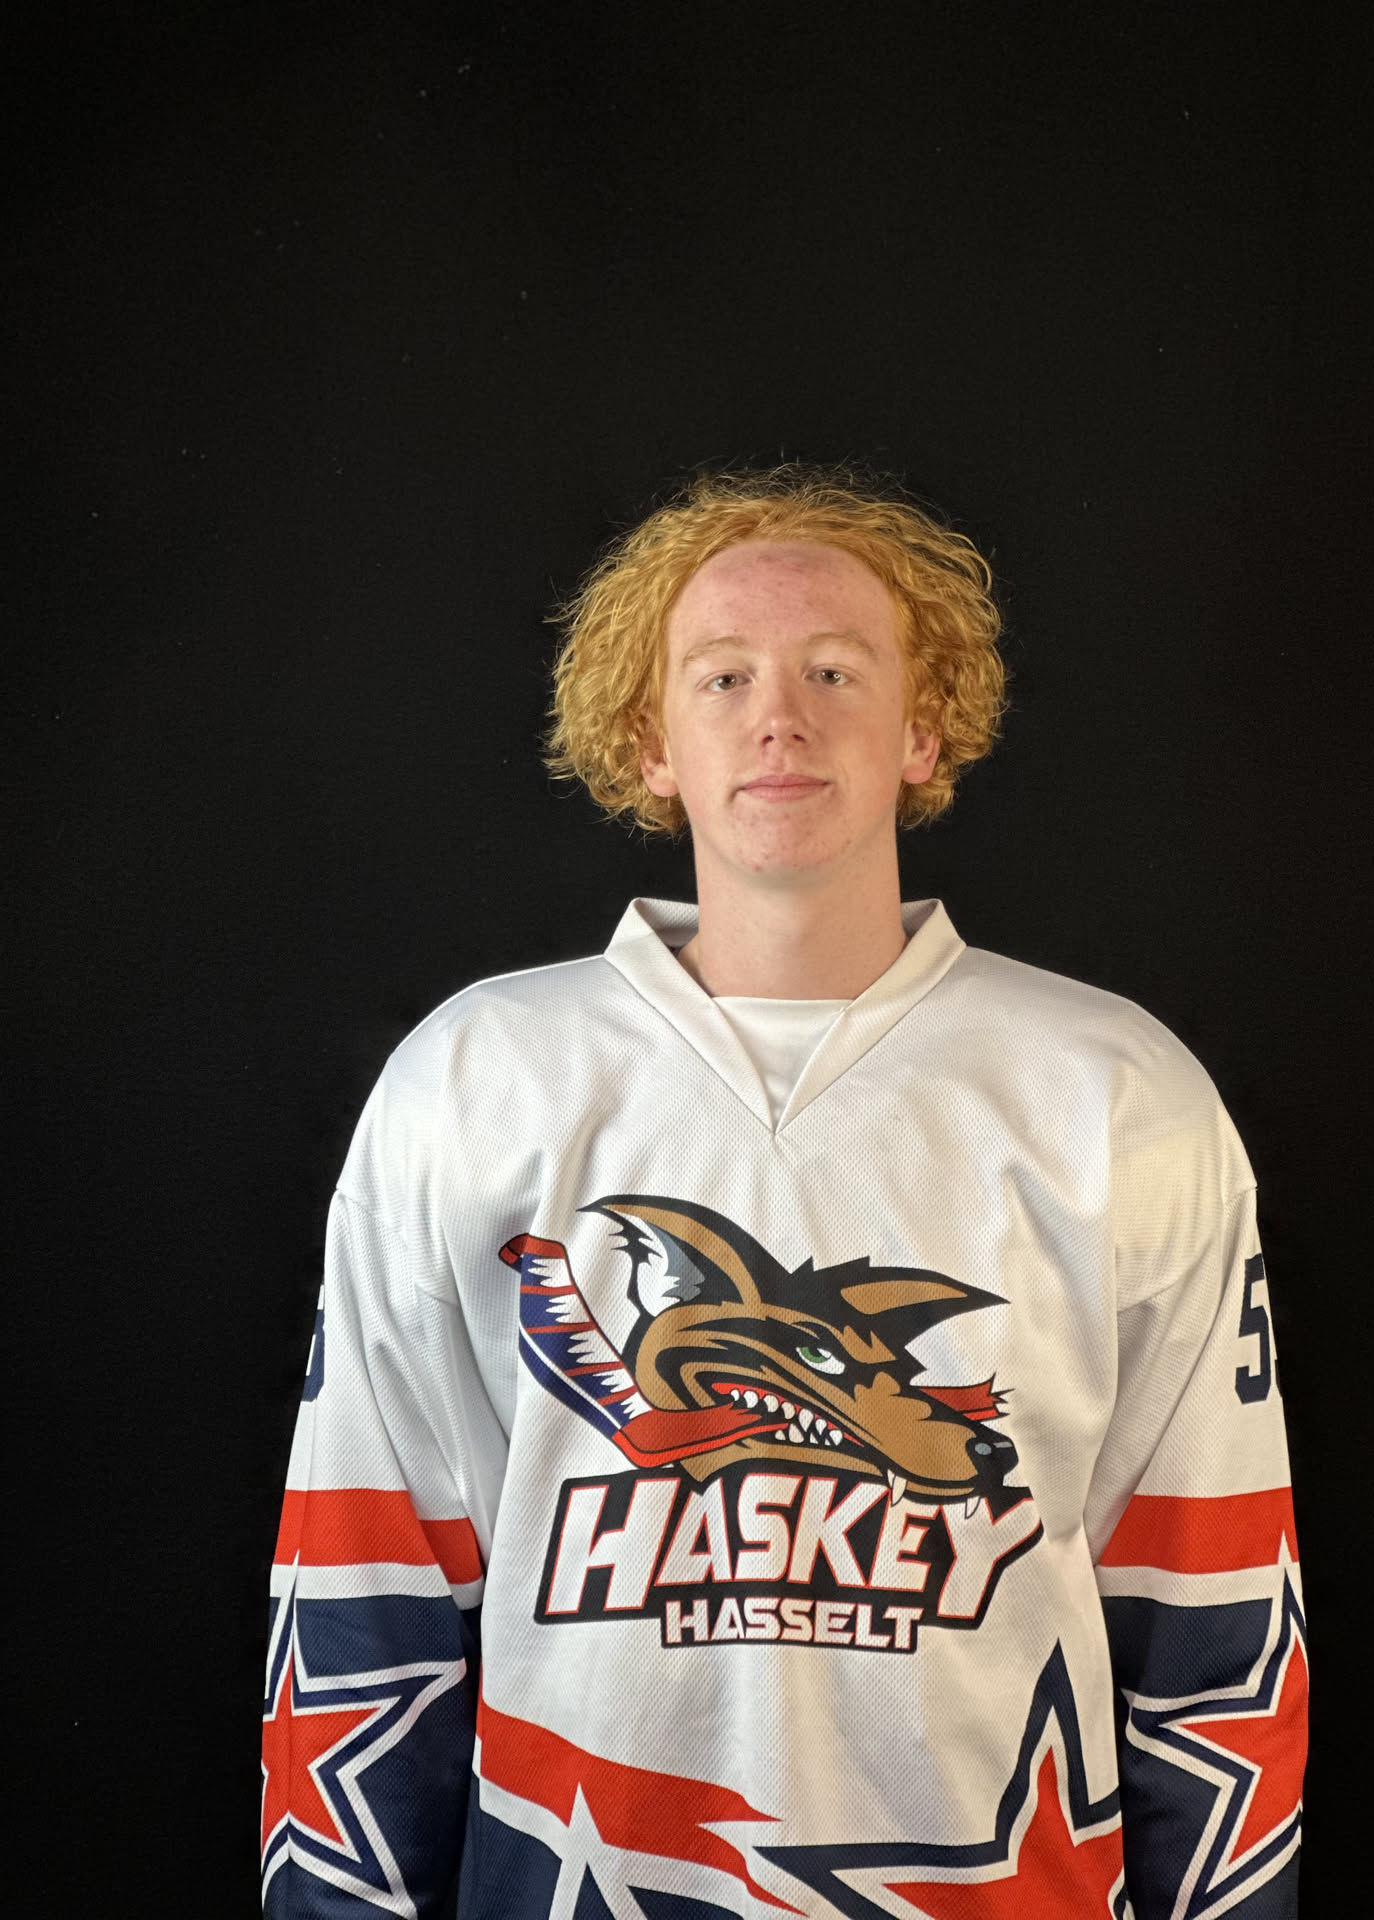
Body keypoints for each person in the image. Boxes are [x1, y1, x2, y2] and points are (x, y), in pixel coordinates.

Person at [262, 465, 1306, 1918]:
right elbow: (366, 1586)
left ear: (923, 728)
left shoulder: (1117, 1094)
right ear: (650, 744)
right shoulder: (476, 1082)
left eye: (834, 669)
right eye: (723, 676)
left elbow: (1210, 1610)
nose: (780, 717)